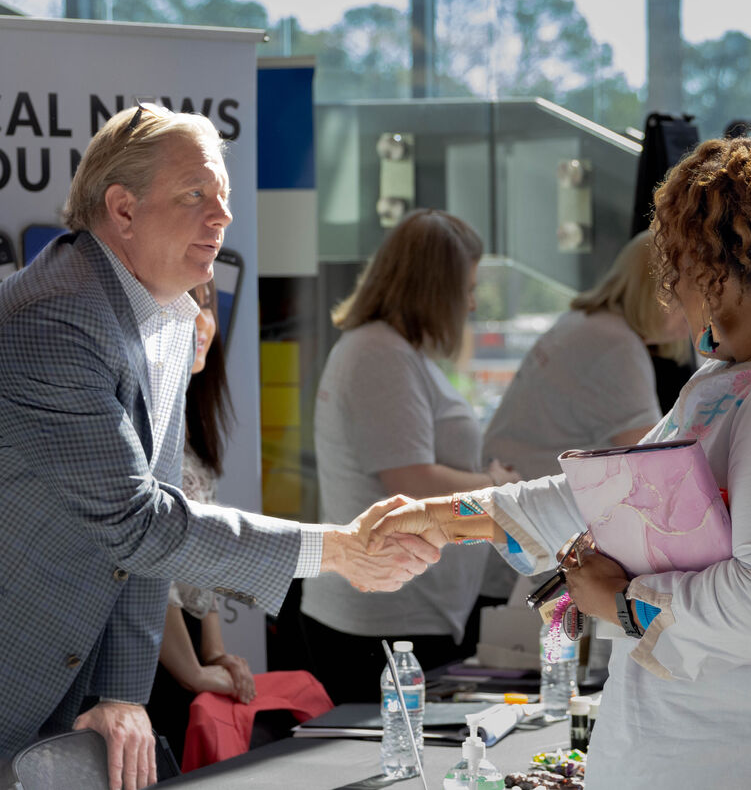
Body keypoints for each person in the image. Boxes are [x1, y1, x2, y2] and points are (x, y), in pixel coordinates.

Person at [365, 135, 751, 789]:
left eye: (674, 258)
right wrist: (442, 518)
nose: (667, 280)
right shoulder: (739, 376)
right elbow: (611, 496)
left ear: (717, 269)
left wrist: (619, 603)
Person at [0, 104, 438, 790]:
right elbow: (140, 525)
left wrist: (120, 692)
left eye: (224, 198)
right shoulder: (56, 320)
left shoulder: (167, 317)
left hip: (64, 688)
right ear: (122, 210)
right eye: (195, 196)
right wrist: (335, 549)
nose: (223, 218)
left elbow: (153, 523)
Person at [298, 209, 519, 704]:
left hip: (401, 611)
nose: (471, 302)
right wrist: (495, 486)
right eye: (465, 286)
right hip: (384, 619)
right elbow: (411, 478)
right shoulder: (379, 354)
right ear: (433, 287)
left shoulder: (393, 351)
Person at [144, 278, 255, 764]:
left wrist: (214, 654)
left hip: (181, 645)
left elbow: (198, 553)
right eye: (186, 301)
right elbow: (150, 561)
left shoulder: (190, 414)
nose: (201, 320)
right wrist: (191, 670)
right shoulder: (140, 417)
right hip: (144, 652)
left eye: (207, 303)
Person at [483, 229, 690, 481]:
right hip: (530, 497)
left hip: (511, 481)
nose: (703, 307)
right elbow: (653, 465)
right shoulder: (616, 347)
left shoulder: (586, 322)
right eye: (691, 292)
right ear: (656, 292)